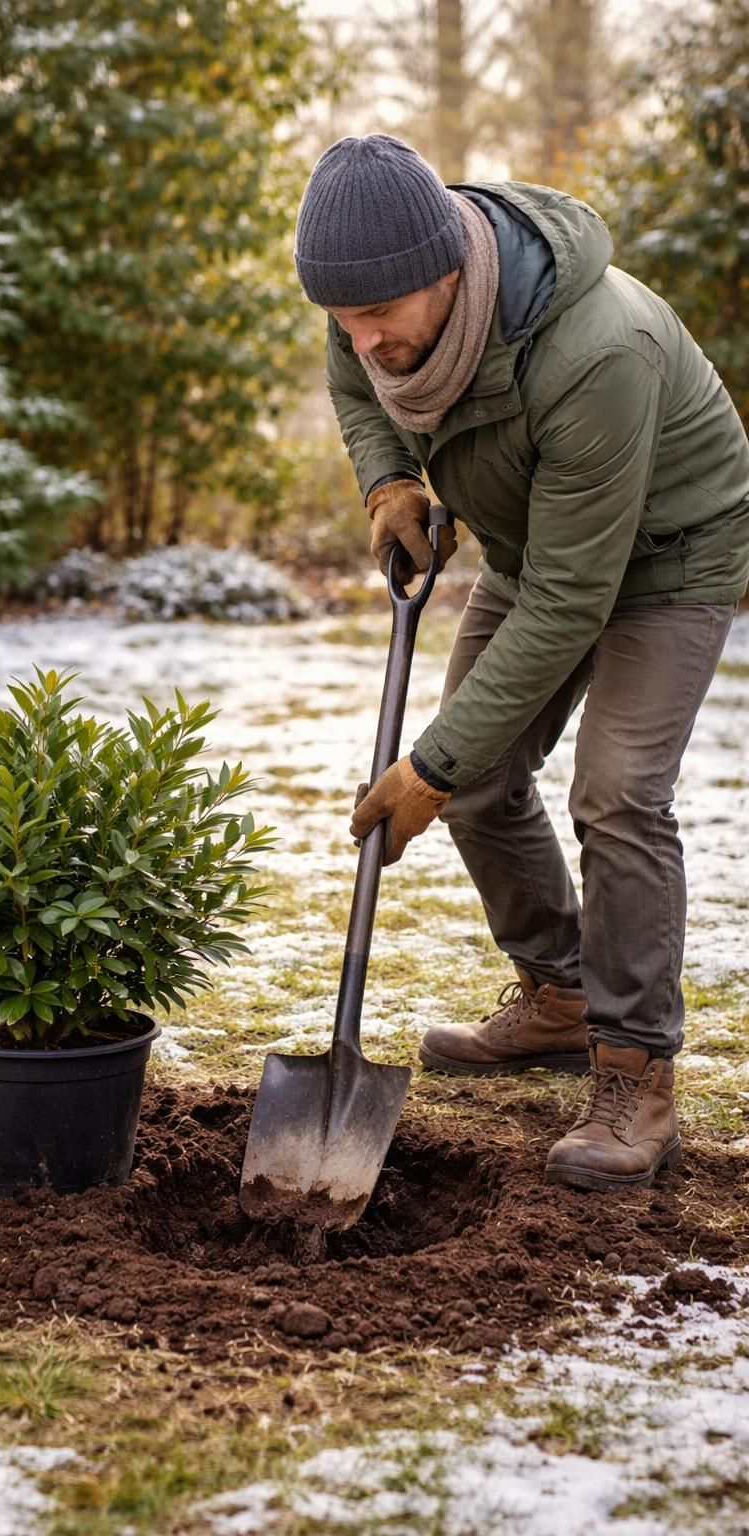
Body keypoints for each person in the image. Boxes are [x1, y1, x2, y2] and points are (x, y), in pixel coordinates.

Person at [294, 133, 749, 1193]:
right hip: (543, 546)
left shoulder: (598, 350)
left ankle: (636, 1073)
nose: (363, 339)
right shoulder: (369, 312)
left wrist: (429, 764)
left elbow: (573, 603)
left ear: (449, 269)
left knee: (619, 793)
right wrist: (386, 483)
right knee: (485, 783)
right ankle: (558, 994)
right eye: (345, 318)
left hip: (668, 554)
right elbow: (359, 387)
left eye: (382, 317)